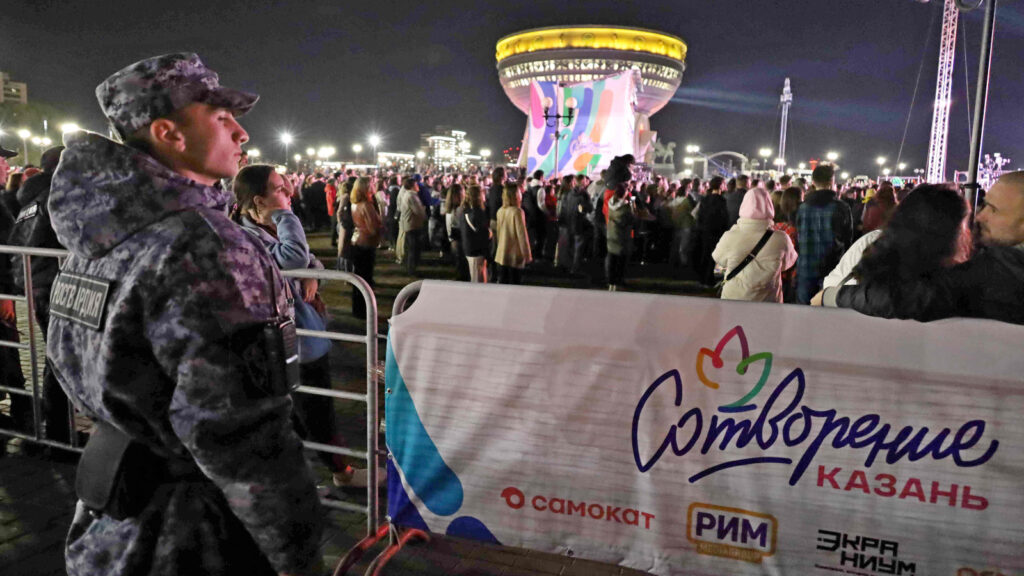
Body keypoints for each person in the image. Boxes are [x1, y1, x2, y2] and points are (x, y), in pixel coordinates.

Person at [47, 53, 323, 576]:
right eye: (221, 118)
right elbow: (240, 437)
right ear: (169, 133)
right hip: (194, 536)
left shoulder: (96, 231)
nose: (241, 132)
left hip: (107, 526)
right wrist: (299, 554)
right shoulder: (205, 245)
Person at [232, 164, 371, 491]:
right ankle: (341, 473)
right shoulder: (246, 235)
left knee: (303, 410)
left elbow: (309, 260)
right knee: (315, 410)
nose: (289, 193)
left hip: (302, 334)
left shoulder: (262, 227)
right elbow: (295, 258)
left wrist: (312, 274)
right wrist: (285, 215)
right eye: (279, 189)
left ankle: (313, 472)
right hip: (290, 339)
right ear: (259, 201)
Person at [824, 174, 1024, 324]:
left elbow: (914, 298)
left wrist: (832, 296)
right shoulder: (996, 262)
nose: (980, 217)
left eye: (993, 209)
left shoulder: (1004, 268)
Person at [7, 146, 75, 444]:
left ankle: (58, 430)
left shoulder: (31, 199)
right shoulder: (57, 194)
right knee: (63, 357)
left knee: (57, 355)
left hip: (37, 283)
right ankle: (60, 435)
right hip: (55, 284)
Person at [712, 188, 797, 302]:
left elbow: (719, 259)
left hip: (734, 299)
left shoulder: (730, 236)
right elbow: (787, 264)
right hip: (768, 301)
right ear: (769, 207)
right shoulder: (781, 238)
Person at [795, 164, 853, 303]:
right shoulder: (841, 207)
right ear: (831, 182)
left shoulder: (803, 207)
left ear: (813, 182)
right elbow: (848, 239)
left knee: (803, 310)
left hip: (806, 266)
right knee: (828, 308)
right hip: (832, 267)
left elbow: (798, 236)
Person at [349, 176, 384, 318]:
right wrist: (380, 223)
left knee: (359, 278)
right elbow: (373, 229)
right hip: (366, 243)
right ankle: (363, 310)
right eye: (371, 184)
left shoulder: (354, 204)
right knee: (365, 278)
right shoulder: (367, 206)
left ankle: (358, 309)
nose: (374, 186)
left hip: (357, 241)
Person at [494, 182, 532, 285]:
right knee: (515, 284)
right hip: (514, 257)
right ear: (515, 195)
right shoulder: (517, 212)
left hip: (501, 254)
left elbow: (498, 233)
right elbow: (522, 236)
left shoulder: (500, 211)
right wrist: (527, 256)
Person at [461, 184, 490, 283]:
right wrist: (490, 233)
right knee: (477, 279)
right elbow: (483, 232)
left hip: (470, 249)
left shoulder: (466, 210)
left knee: (477, 276)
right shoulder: (476, 212)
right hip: (476, 250)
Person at [397, 176, 426, 275]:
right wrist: (423, 211)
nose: (418, 186)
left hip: (410, 224)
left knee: (411, 247)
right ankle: (411, 269)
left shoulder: (408, 195)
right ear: (412, 186)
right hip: (412, 225)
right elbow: (418, 211)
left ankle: (410, 267)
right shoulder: (411, 196)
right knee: (413, 248)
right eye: (416, 184)